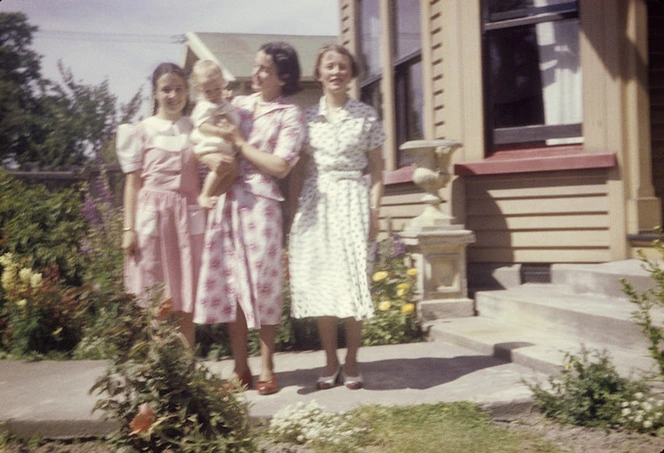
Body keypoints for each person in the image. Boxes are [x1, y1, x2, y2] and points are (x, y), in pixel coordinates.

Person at [194, 42, 306, 395]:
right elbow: (201, 132)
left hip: (260, 203)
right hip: (226, 200)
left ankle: (268, 367)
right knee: (231, 285)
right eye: (256, 67)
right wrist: (208, 159)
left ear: (283, 77)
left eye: (264, 70)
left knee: (262, 284)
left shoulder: (289, 114)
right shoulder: (238, 104)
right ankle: (240, 367)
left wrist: (241, 144)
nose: (255, 75)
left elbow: (280, 166)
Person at [288, 44, 385, 390]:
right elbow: (299, 172)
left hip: (353, 201)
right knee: (323, 283)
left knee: (354, 281)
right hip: (316, 205)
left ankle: (353, 360)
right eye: (329, 66)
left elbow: (376, 172)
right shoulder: (306, 118)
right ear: (319, 74)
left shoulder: (366, 115)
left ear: (351, 73)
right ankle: (330, 360)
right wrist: (294, 213)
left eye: (342, 66)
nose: (336, 72)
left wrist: (374, 213)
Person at [116, 62, 220, 348]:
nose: (173, 95)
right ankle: (161, 369)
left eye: (179, 89)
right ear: (154, 93)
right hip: (153, 218)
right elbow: (133, 184)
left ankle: (185, 369)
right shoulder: (141, 131)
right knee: (156, 292)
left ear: (188, 92)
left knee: (186, 294)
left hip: (188, 217)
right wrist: (129, 228)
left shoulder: (195, 128)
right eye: (166, 89)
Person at [189, 59, 241, 209]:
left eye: (217, 89)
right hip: (210, 146)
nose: (213, 94)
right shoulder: (204, 106)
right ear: (198, 89)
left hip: (225, 147)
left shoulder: (222, 102)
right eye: (208, 91)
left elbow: (230, 113)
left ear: (223, 83)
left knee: (233, 172)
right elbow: (202, 125)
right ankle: (205, 194)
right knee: (219, 169)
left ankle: (218, 194)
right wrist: (220, 132)